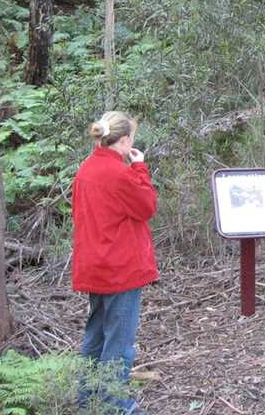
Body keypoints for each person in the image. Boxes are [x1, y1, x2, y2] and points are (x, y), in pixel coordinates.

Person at [72, 111, 157, 415]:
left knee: (96, 336)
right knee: (119, 343)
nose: (133, 143)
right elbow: (146, 206)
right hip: (119, 268)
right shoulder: (119, 173)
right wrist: (140, 167)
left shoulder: (86, 170)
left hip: (95, 264)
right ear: (123, 141)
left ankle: (88, 400)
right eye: (131, 138)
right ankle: (116, 407)